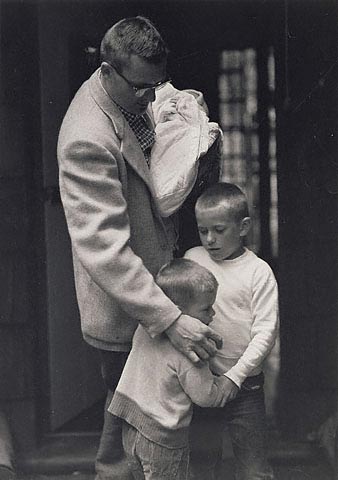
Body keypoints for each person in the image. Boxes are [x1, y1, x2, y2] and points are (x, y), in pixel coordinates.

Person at [57, 16, 222, 480]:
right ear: (107, 71)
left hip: (156, 290)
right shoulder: (86, 138)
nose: (150, 98)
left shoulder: (128, 93)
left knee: (152, 422)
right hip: (127, 307)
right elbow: (105, 248)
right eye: (142, 89)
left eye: (157, 86)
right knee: (125, 427)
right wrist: (170, 319)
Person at [185, 182, 279, 480]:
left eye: (219, 230)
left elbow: (266, 333)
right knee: (201, 466)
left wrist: (234, 378)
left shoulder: (258, 272)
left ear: (243, 227)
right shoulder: (193, 259)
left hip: (245, 388)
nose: (210, 239)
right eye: (203, 231)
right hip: (200, 382)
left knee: (254, 470)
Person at [109, 258, 230, 480]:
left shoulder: (146, 326)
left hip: (130, 428)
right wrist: (228, 382)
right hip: (162, 438)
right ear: (177, 310)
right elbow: (206, 397)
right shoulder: (192, 349)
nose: (212, 314)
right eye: (206, 309)